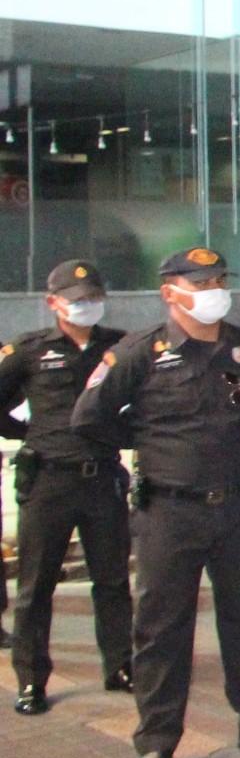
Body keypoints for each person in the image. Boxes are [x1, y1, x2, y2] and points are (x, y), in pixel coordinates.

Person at [72, 246, 240, 758]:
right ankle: (157, 742)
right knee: (161, 629)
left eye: (219, 280)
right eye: (200, 283)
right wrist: (146, 441)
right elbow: (89, 419)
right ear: (169, 292)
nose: (213, 292)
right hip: (169, 511)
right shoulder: (139, 353)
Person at [2, 260, 133, 715]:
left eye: (93, 298)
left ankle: (120, 665)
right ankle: (31, 680)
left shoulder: (120, 347)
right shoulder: (29, 351)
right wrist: (28, 434)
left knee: (113, 581)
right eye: (77, 300)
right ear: (53, 303)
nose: (86, 306)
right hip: (48, 481)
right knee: (36, 587)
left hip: (102, 479)